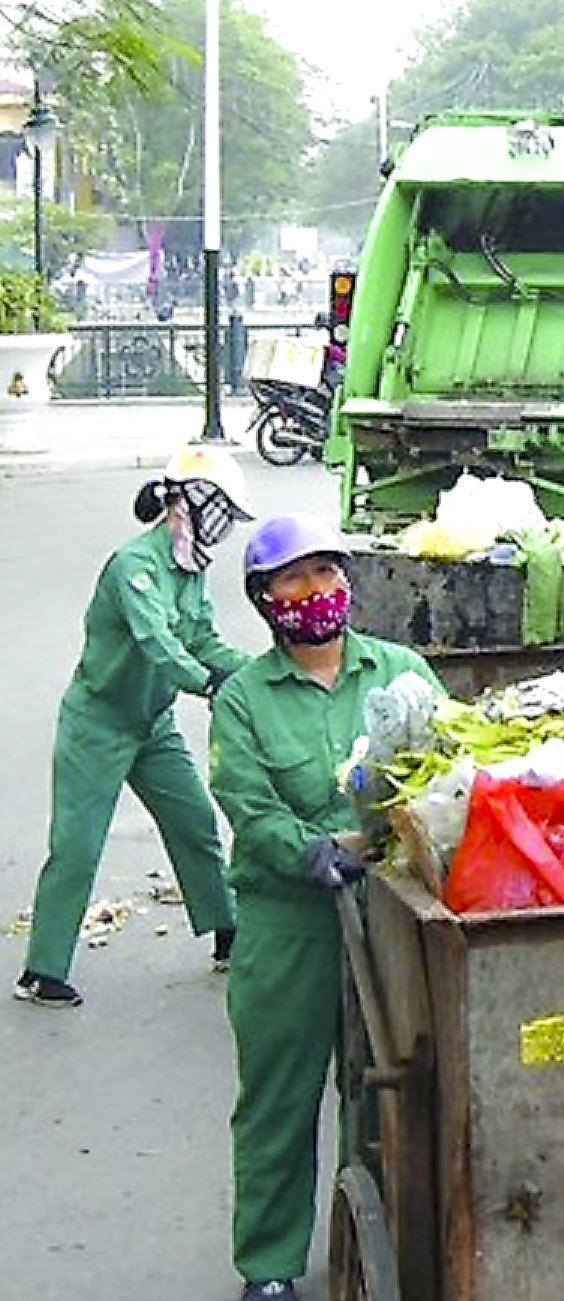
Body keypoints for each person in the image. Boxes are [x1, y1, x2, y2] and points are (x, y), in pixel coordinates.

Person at [206, 513, 443, 1301]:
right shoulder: (244, 698)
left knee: (384, 1092)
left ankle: (377, 1247)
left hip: (390, 915)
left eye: (328, 573)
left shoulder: (400, 670)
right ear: (267, 600)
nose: (318, 591)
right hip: (289, 923)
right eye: (296, 579)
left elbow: (448, 766)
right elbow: (245, 797)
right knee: (279, 1097)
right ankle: (268, 1265)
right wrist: (312, 847)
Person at [15, 444, 254, 1009]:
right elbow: (159, 646)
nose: (221, 526)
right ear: (184, 503)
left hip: (153, 723)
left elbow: (201, 641)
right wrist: (210, 685)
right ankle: (41, 970)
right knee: (76, 845)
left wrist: (261, 671)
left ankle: (225, 928)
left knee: (195, 822)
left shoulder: (190, 569)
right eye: (217, 509)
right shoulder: (136, 567)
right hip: (97, 722)